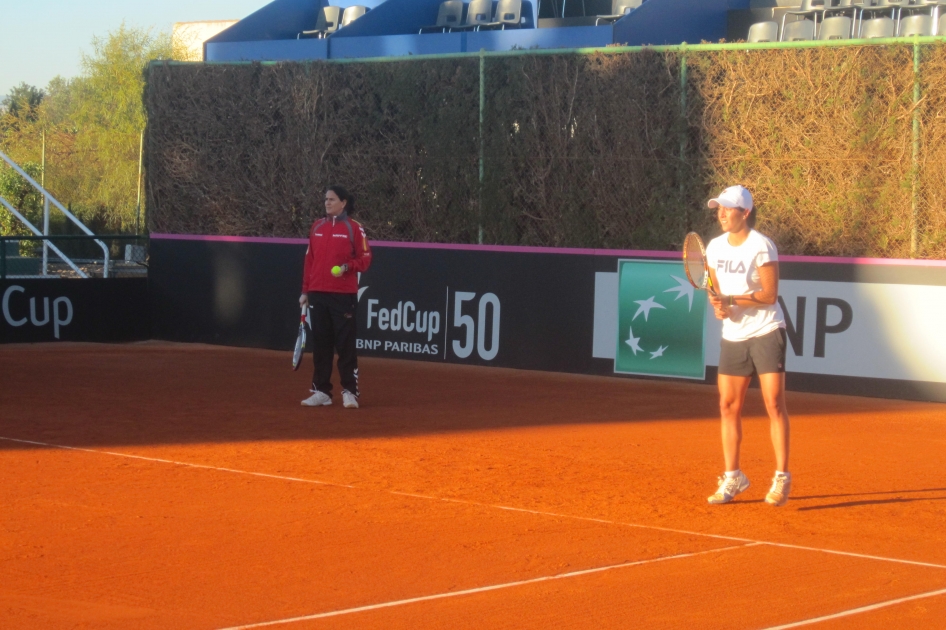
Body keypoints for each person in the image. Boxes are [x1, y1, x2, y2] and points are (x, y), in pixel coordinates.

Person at [704, 185, 791, 507]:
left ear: (746, 212)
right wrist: (718, 306)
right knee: (728, 406)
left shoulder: (761, 246)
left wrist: (731, 299)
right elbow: (713, 289)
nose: (722, 214)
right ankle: (733, 477)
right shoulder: (713, 247)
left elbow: (769, 295)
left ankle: (781, 477)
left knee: (773, 404)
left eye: (728, 209)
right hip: (733, 335)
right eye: (718, 209)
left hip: (767, 330)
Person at [299, 186, 372, 409]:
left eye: (332, 199)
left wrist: (347, 267)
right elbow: (309, 261)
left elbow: (366, 258)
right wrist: (305, 291)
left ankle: (350, 392)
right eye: (325, 200)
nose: (327, 203)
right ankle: (322, 391)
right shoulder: (316, 227)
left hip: (343, 296)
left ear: (344, 202)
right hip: (318, 294)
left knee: (345, 345)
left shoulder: (355, 229)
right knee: (321, 345)